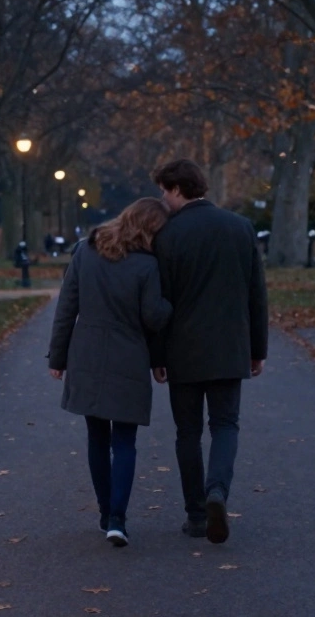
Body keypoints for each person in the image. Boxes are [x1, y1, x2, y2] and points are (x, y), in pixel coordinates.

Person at [150, 159, 268, 545]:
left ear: (177, 188)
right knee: (225, 425)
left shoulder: (167, 235)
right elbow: (256, 294)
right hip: (229, 346)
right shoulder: (240, 227)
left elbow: (160, 300)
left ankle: (196, 514)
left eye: (164, 191)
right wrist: (257, 348)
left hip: (182, 349)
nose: (162, 199)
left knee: (188, 432)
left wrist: (157, 355)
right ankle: (217, 490)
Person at [48, 198, 173, 547]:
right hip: (128, 356)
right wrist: (171, 305)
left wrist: (57, 358)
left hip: (87, 353)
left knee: (97, 438)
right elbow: (153, 317)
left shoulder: (85, 252)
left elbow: (66, 307)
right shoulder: (147, 265)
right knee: (125, 441)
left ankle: (105, 513)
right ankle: (118, 518)